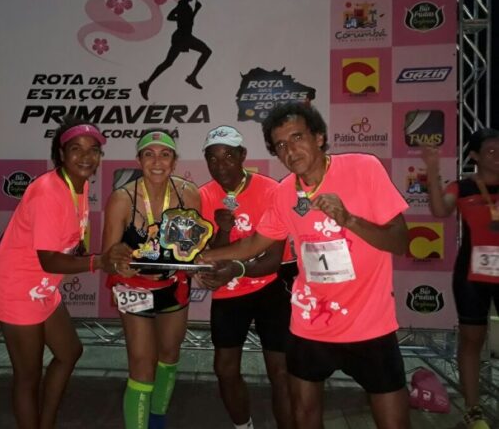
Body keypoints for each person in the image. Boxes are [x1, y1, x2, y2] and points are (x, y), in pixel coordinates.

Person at [199, 102, 411, 429]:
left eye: (297, 137)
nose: (290, 150)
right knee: (304, 419)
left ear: (319, 137)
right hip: (310, 324)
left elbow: (400, 242)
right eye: (281, 144)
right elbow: (254, 244)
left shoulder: (363, 168)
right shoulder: (285, 192)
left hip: (370, 325)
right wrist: (203, 257)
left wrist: (349, 220)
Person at [0, 119, 131, 429]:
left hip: (41, 287)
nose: (86, 157)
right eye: (76, 149)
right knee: (28, 376)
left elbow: (68, 245)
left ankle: (46, 422)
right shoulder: (48, 192)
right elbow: (50, 261)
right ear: (61, 153)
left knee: (69, 352)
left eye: (93, 150)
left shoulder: (79, 185)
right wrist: (99, 262)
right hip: (17, 289)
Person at [197, 126, 296, 429]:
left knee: (280, 371)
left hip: (271, 286)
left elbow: (273, 260)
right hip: (230, 291)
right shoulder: (204, 195)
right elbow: (211, 257)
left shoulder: (270, 190)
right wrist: (223, 229)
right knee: (225, 369)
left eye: (228, 156)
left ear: (242, 155)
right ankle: (244, 427)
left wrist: (236, 268)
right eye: (213, 159)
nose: (220, 165)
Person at [102, 129, 202, 429]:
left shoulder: (188, 193)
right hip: (134, 288)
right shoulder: (122, 199)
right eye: (149, 154)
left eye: (165, 154)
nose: (157, 162)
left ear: (174, 161)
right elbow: (107, 258)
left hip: (173, 284)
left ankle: (157, 419)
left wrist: (194, 263)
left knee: (169, 355)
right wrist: (119, 264)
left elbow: (195, 248)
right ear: (139, 160)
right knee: (142, 365)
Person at [421, 128, 499, 429]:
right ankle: (473, 410)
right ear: (475, 156)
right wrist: (432, 170)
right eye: (490, 150)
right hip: (471, 275)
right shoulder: (463, 187)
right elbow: (439, 209)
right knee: (471, 341)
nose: (497, 155)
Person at [139, 0, 211, 101]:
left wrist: (184, 16)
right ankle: (147, 83)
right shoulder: (183, 6)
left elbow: (174, 17)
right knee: (169, 62)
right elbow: (179, 19)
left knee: (169, 62)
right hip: (182, 38)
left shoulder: (184, 5)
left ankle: (191, 77)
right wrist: (194, 11)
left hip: (185, 37)